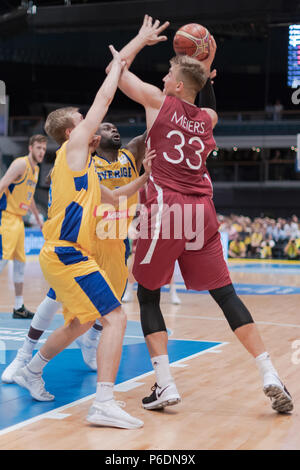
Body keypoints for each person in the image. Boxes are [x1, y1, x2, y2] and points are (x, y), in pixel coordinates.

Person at [111, 15, 293, 414]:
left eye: (169, 75)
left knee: (147, 295)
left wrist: (141, 40)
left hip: (167, 210)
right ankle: (268, 372)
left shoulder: (158, 103)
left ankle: (165, 383)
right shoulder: (208, 119)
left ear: (177, 85)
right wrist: (205, 70)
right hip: (203, 211)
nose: (162, 80)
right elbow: (205, 99)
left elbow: (115, 72)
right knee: (225, 293)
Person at [12, 45, 155, 430]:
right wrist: (127, 55)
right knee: (116, 317)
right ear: (73, 131)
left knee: (80, 322)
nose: (90, 122)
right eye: (83, 120)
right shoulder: (73, 149)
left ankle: (32, 367)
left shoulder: (85, 167)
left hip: (67, 254)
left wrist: (145, 177)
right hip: (65, 253)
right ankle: (103, 402)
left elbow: (114, 196)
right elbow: (104, 97)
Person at [1, 123, 148, 381]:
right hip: (84, 242)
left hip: (115, 239)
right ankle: (23, 357)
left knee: (111, 302)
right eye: (105, 126)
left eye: (114, 126)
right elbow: (101, 193)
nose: (113, 129)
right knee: (54, 298)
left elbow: (156, 125)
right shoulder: (82, 161)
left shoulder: (130, 154)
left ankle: (90, 344)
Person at [0, 134, 46, 319]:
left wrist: (37, 218)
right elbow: (2, 184)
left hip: (19, 221)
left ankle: (18, 307)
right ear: (30, 148)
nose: (41, 152)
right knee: (2, 260)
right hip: (7, 218)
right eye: (38, 148)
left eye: (43, 148)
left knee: (20, 264)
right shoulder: (21, 164)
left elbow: (30, 197)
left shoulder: (35, 170)